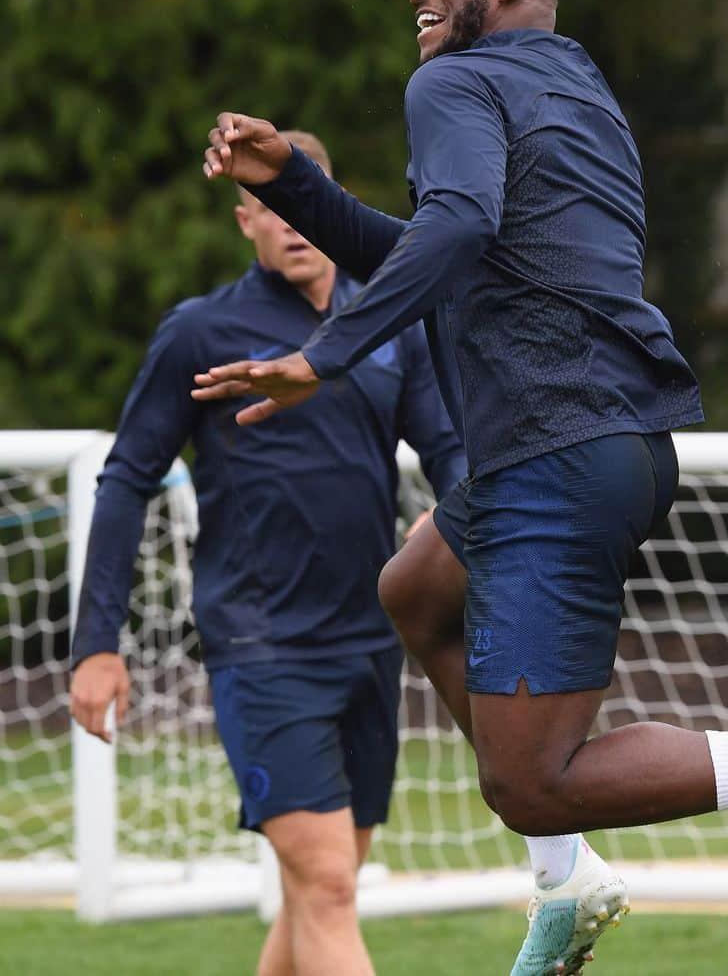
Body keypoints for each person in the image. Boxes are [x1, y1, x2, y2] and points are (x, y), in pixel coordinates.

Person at [193, 0, 728, 976]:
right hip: (598, 445)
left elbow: (455, 231)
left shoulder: (452, 83)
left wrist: (324, 356)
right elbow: (449, 241)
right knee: (414, 591)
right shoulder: (573, 84)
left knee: (530, 783)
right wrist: (298, 188)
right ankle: (568, 880)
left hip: (551, 454)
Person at [70, 130, 466, 976]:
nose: (291, 223)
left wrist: (477, 530)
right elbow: (127, 478)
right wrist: (97, 642)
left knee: (320, 890)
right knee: (326, 885)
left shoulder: (387, 321)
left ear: (330, 204)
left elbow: (450, 455)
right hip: (260, 648)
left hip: (370, 643)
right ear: (247, 218)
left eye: (304, 201)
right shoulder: (200, 332)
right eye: (271, 207)